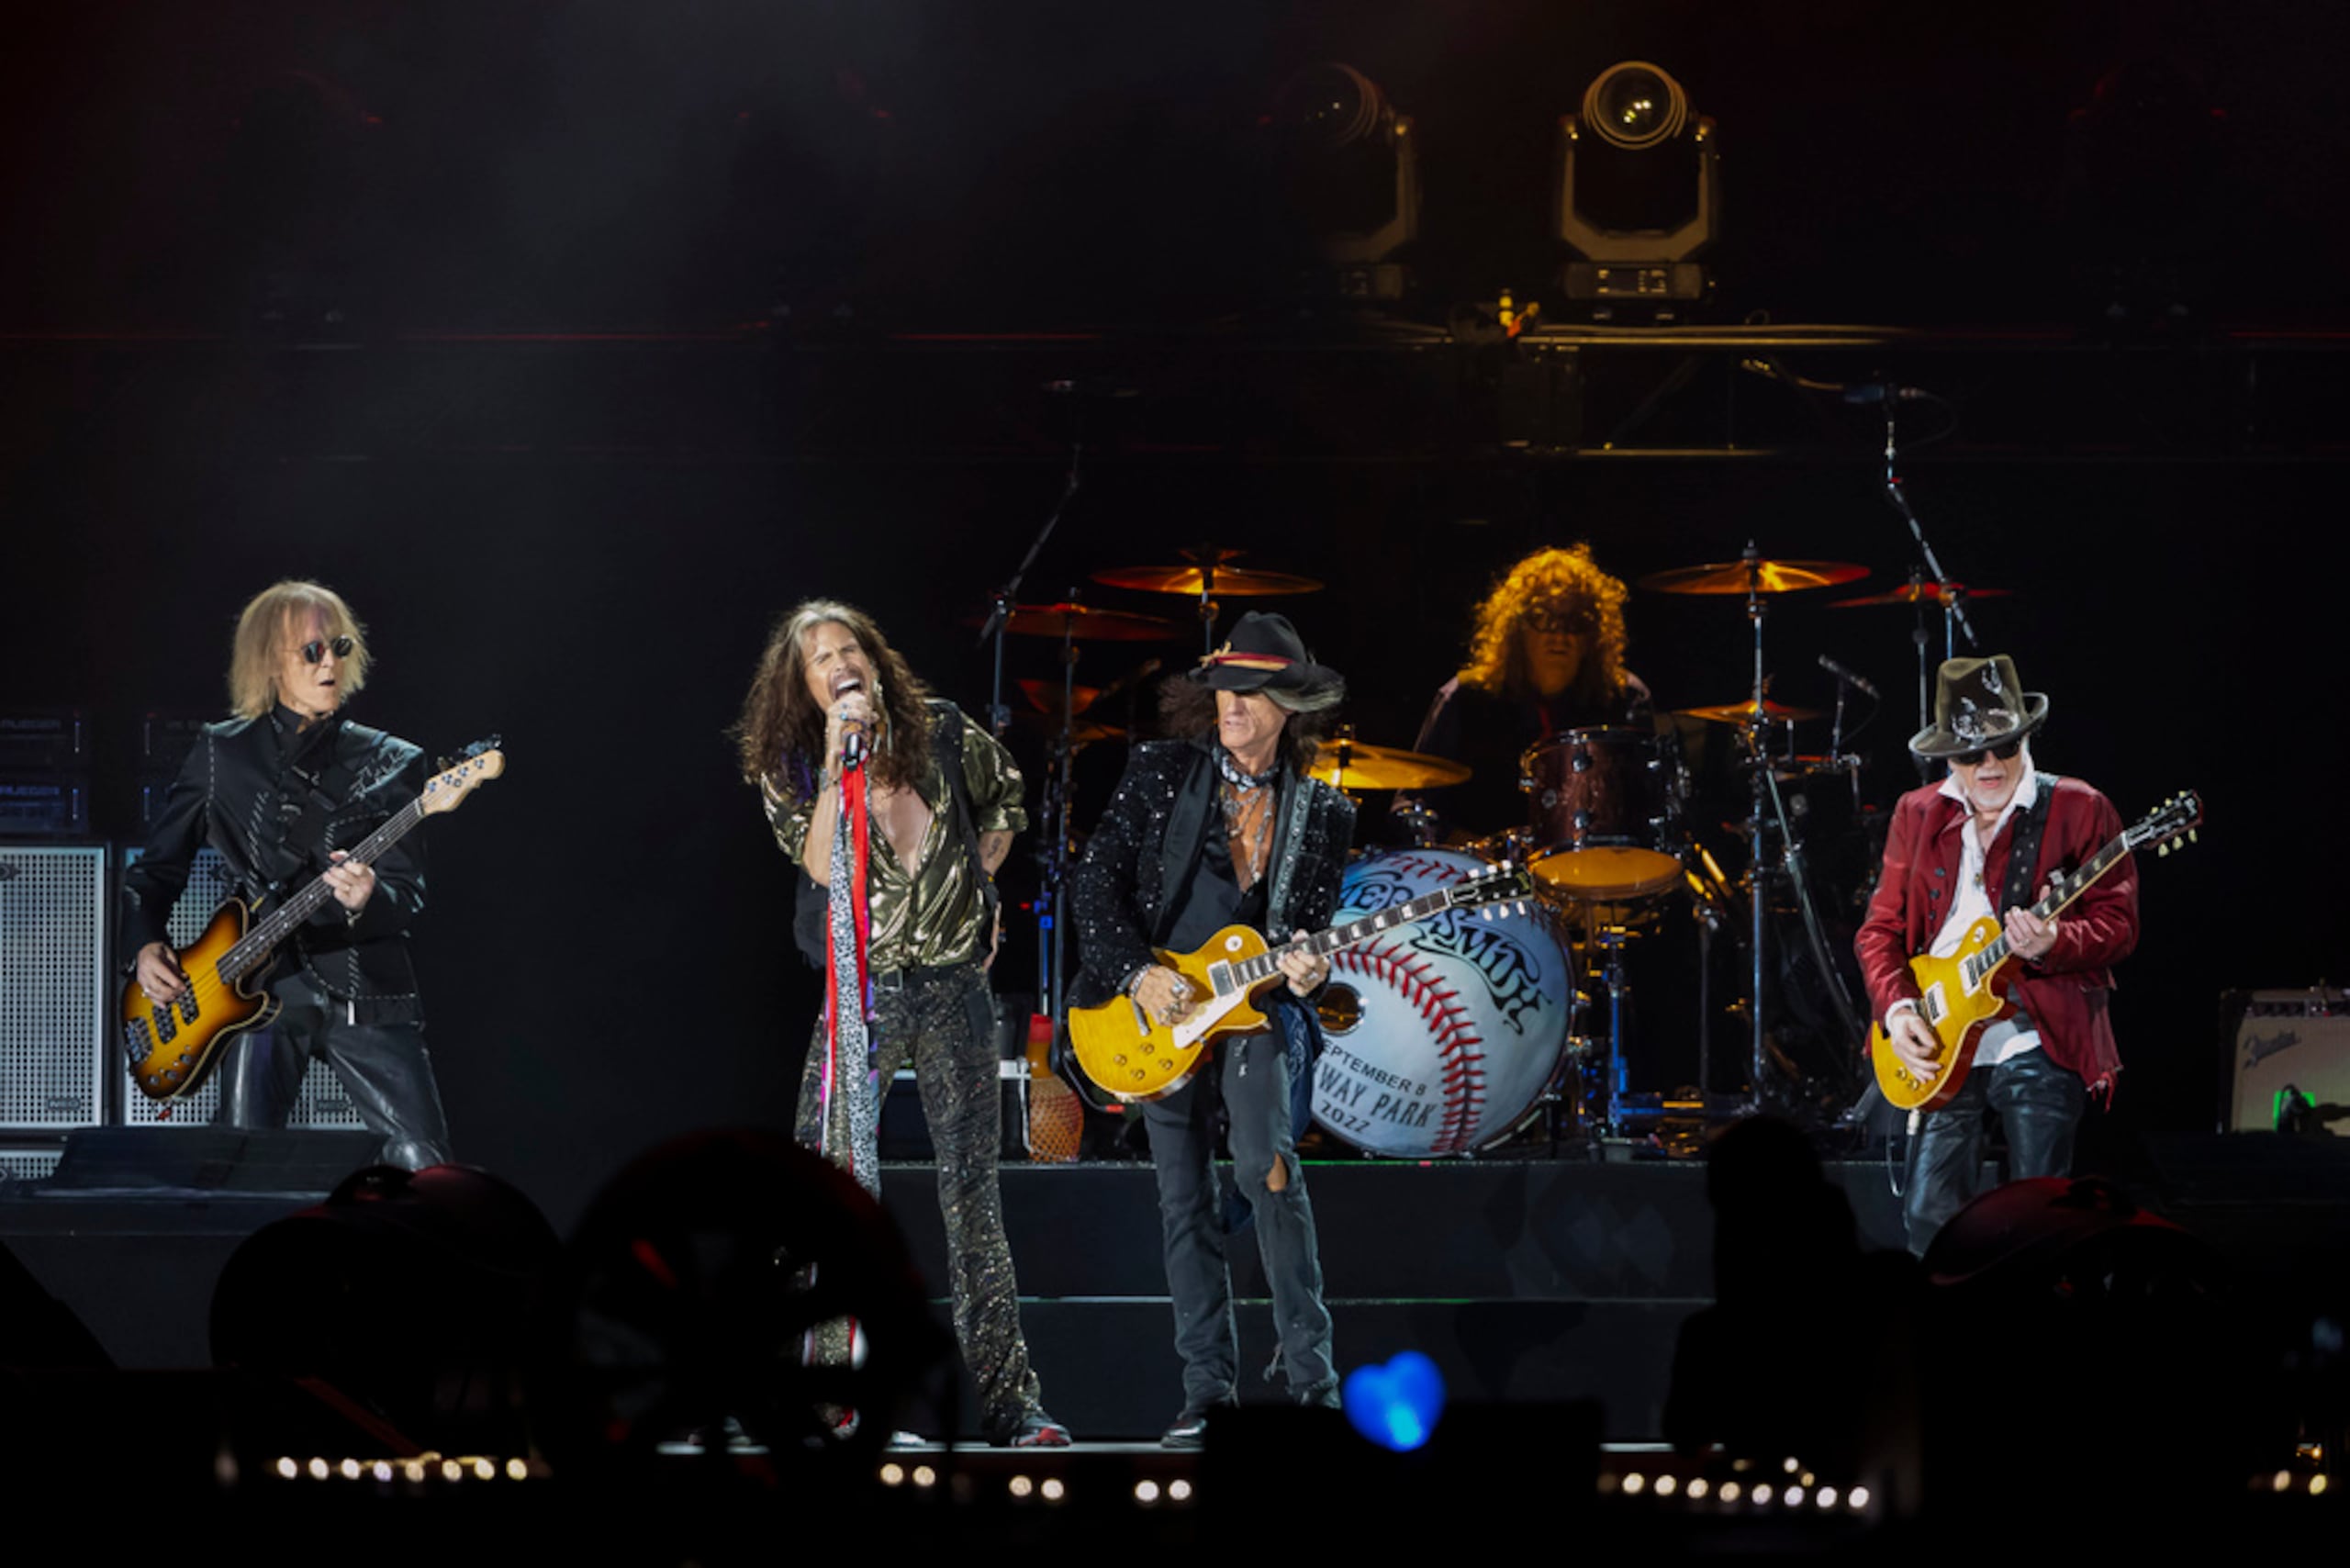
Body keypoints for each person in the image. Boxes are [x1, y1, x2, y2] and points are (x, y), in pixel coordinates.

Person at [734, 599, 1068, 1448]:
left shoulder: (945, 733)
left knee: (972, 1197)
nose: (840, 664)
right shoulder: (792, 763)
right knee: (828, 1186)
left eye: (851, 651)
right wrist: (840, 754)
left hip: (955, 988)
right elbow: (815, 862)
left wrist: (982, 890)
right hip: (863, 993)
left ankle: (1012, 1404)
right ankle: (819, 1398)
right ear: (805, 687)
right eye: (821, 660)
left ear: (876, 665)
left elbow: (1006, 801)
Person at [1067, 611, 1355, 1447]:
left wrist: (1310, 969)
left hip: (1252, 1013)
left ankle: (1314, 1389)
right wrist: (1136, 972)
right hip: (1158, 1009)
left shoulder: (1324, 813)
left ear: (1289, 705)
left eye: (1251, 689)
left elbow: (1306, 936)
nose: (1231, 703)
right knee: (1182, 1198)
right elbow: (1095, 885)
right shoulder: (1161, 770)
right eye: (1225, 686)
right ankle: (1207, 1398)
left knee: (1270, 1170)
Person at [123, 580, 452, 1170]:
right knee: (246, 1165)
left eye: (339, 647)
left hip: (365, 988)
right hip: (254, 987)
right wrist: (144, 945)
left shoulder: (393, 760)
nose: (329, 663)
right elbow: (155, 870)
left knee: (425, 1164)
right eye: (311, 651)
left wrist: (369, 897)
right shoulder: (221, 753)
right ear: (269, 659)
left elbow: (409, 894)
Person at [1854, 655, 2139, 1256]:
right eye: (1969, 753)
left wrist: (2055, 942)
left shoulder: (2079, 808)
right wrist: (1900, 1011)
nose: (1988, 766)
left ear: (2025, 738)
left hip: (2037, 1029)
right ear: (1946, 756)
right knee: (1929, 1209)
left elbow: (2118, 925)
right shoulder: (1918, 811)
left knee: (2038, 1209)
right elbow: (1878, 930)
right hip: (1942, 1034)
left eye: (2003, 748)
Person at [1407, 543, 1654, 842]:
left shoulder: (1626, 698)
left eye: (1575, 622)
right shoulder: (1465, 697)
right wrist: (1464, 846)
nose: (1559, 635)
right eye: (1544, 618)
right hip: (1486, 878)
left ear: (1595, 636)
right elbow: (1412, 805)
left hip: (1595, 874)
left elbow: (1650, 805)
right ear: (1517, 628)